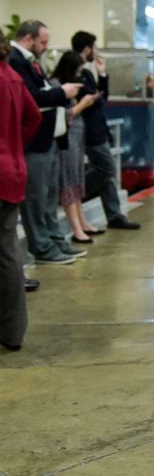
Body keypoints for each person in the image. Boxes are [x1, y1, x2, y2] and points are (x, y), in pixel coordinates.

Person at [8, 20, 85, 264]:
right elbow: (30, 99)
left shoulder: (31, 63)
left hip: (49, 140)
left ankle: (54, 240)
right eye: (43, 42)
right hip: (35, 142)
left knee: (49, 195)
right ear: (28, 39)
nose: (45, 47)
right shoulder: (16, 63)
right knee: (36, 197)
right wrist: (61, 93)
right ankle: (41, 246)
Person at [71, 31, 140, 230]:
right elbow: (95, 101)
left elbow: (101, 98)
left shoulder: (87, 73)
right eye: (94, 47)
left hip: (97, 128)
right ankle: (74, 191)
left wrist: (102, 75)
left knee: (107, 175)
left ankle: (114, 215)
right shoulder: (78, 74)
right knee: (107, 168)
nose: (96, 51)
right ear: (86, 48)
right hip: (90, 131)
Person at [0, 36, 42, 350]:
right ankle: (13, 330)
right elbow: (33, 117)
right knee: (8, 251)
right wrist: (15, 147)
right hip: (12, 171)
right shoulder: (12, 76)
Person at [52, 51, 98, 244]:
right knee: (68, 179)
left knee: (77, 177)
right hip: (66, 141)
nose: (80, 74)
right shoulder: (56, 86)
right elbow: (63, 116)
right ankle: (76, 229)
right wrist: (82, 105)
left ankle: (82, 222)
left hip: (77, 139)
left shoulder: (74, 86)